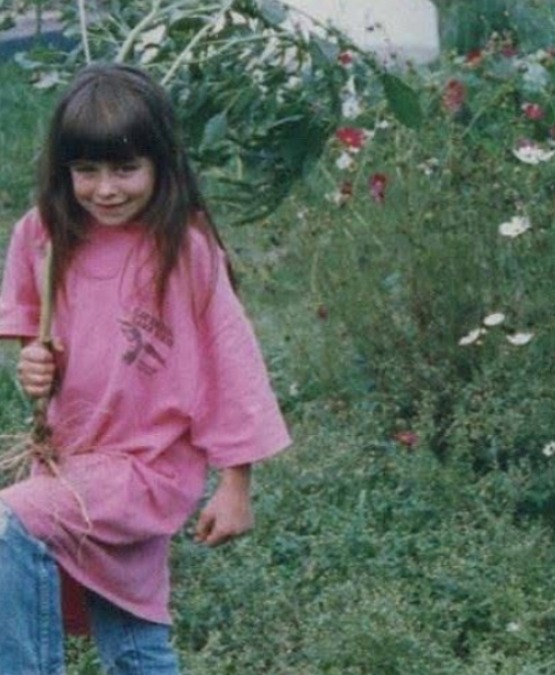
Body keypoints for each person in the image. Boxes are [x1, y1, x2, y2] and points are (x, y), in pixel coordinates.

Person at [0, 62, 290, 674]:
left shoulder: (182, 249)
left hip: (146, 468)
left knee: (12, 521)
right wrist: (29, 361)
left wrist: (237, 485)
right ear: (64, 170)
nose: (106, 189)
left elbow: (231, 365)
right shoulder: (45, 235)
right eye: (87, 170)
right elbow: (31, 331)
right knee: (133, 643)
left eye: (125, 168)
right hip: (70, 457)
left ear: (162, 163)